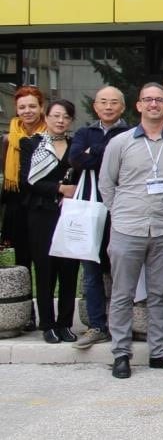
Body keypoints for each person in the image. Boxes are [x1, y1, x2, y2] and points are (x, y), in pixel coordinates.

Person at [98, 82, 163, 379]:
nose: (154, 104)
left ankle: (159, 352)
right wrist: (120, 213)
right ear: (139, 105)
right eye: (148, 100)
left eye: (159, 100)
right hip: (127, 228)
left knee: (159, 293)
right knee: (122, 294)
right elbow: (106, 183)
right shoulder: (120, 143)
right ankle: (121, 354)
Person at [69, 86, 130, 349]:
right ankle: (97, 326)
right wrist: (103, 151)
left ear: (123, 107)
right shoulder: (84, 132)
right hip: (90, 209)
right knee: (91, 270)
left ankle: (122, 326)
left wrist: (92, 152)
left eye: (114, 102)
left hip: (121, 209)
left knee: (121, 270)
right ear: (95, 106)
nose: (108, 106)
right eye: (103, 102)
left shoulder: (130, 133)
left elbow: (125, 164)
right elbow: (76, 160)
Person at [19, 99, 77, 343]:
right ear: (46, 117)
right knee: (45, 269)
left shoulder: (76, 146)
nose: (60, 121)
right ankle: (48, 324)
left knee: (69, 269)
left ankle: (65, 323)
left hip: (70, 214)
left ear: (71, 120)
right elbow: (27, 181)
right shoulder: (32, 144)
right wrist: (59, 188)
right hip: (41, 213)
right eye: (56, 116)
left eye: (66, 117)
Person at [2, 85, 45, 305]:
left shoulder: (51, 135)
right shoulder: (7, 139)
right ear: (16, 110)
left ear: (41, 107)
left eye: (32, 106)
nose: (27, 111)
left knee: (45, 261)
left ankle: (46, 312)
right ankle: (27, 312)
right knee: (22, 261)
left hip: (43, 205)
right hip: (17, 205)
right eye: (22, 107)